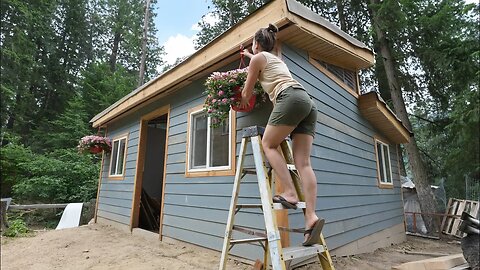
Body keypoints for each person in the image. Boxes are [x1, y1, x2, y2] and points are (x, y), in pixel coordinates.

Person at [239, 23, 324, 246]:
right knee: (303, 163)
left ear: (257, 44)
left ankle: (289, 193)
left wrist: (242, 99)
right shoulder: (276, 60)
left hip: (290, 99)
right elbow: (257, 59)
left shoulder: (259, 60)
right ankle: (311, 217)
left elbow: (247, 92)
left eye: (252, 46)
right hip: (307, 102)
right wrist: (247, 54)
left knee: (268, 144)